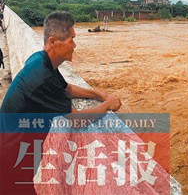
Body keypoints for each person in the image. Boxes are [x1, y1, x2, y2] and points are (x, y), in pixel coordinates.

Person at [0, 11, 121, 194]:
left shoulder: (40, 60)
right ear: (54, 41)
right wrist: (106, 106)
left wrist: (98, 94)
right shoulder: (42, 77)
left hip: (16, 148)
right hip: (10, 156)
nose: (75, 45)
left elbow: (67, 89)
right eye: (71, 39)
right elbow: (76, 119)